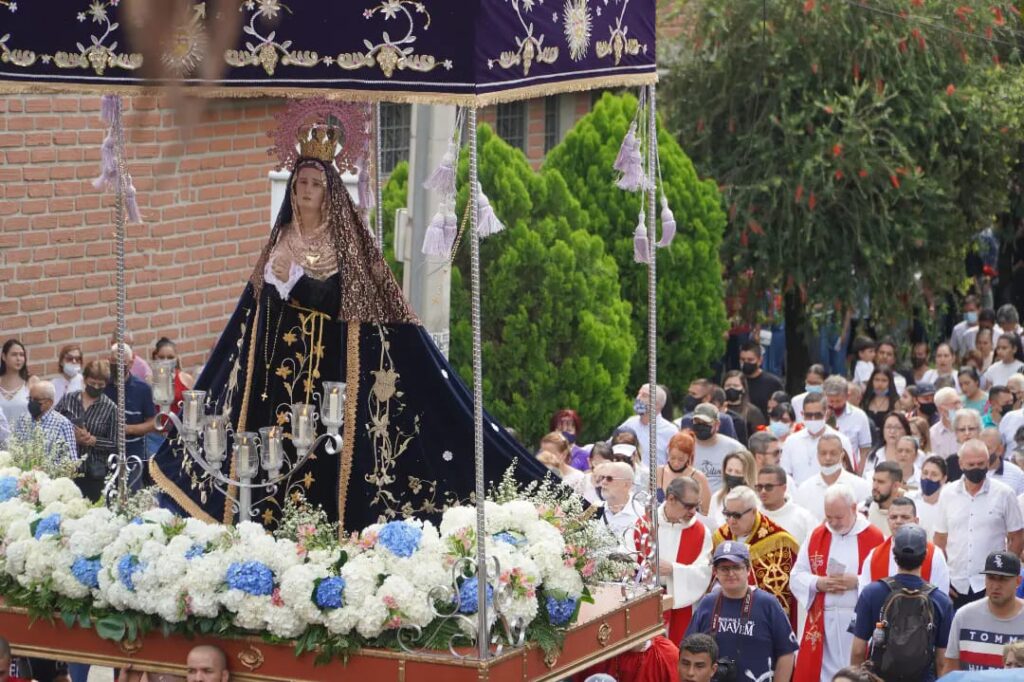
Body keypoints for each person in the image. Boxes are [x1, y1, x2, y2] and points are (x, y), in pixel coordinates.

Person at [152, 138, 549, 529]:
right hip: (275, 376)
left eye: (314, 184)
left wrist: (297, 280)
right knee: (268, 452)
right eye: (300, 183)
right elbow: (257, 310)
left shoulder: (345, 247)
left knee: (319, 459)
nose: (305, 190)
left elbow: (345, 303)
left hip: (325, 374)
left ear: (328, 193)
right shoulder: (282, 238)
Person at [791, 483, 885, 682]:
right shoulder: (816, 536)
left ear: (853, 508)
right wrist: (818, 582)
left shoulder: (874, 537)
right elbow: (796, 575)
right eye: (829, 516)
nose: (832, 522)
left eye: (838, 517)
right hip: (824, 622)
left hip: (858, 621)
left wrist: (858, 582)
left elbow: (885, 582)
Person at [850, 524, 953, 682]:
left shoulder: (871, 593)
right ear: (925, 555)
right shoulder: (941, 601)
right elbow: (942, 661)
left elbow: (858, 650)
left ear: (894, 553)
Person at [686, 541, 798, 682]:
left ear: (748, 569)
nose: (730, 573)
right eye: (724, 568)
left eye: (736, 567)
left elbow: (786, 653)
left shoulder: (768, 604)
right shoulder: (707, 604)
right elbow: (689, 650)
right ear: (715, 572)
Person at [933, 439, 1024, 610]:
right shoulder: (947, 494)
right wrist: (942, 578)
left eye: (981, 463)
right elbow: (939, 540)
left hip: (990, 584)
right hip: (955, 583)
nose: (976, 468)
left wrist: (1002, 577)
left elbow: (1017, 538)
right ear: (961, 464)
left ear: (988, 462)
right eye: (971, 464)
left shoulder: (1004, 494)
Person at [712, 485, 800, 631]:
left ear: (753, 511)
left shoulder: (780, 542)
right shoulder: (720, 537)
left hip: (763, 623)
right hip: (726, 619)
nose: (731, 521)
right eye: (727, 514)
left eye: (737, 515)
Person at [643, 476, 712, 644]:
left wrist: (674, 570)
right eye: (688, 506)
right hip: (647, 603)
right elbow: (630, 562)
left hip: (682, 605)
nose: (693, 512)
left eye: (696, 506)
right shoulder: (645, 524)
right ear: (670, 499)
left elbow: (705, 572)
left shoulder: (701, 532)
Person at [944, 551, 1024, 671]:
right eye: (991, 578)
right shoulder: (964, 616)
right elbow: (951, 669)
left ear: (1018, 581)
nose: (996, 585)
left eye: (1003, 579)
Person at [856, 497, 949, 594]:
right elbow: (865, 595)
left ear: (916, 521)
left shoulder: (934, 555)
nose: (898, 521)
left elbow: (941, 597)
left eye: (905, 517)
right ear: (888, 521)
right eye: (893, 517)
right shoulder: (874, 556)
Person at [55, 360, 116, 502]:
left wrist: (93, 440)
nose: (95, 387)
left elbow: (115, 443)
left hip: (93, 472)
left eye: (100, 385)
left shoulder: (110, 408)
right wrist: (71, 436)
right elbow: (54, 424)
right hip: (67, 469)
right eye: (92, 383)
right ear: (84, 379)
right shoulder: (68, 399)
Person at [106, 343, 156, 488]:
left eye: (123, 363)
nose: (118, 367)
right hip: (107, 452)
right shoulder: (103, 385)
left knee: (131, 493)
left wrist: (129, 429)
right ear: (109, 361)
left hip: (133, 454)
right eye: (114, 363)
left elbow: (152, 423)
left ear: (131, 363)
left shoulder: (142, 389)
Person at [793, 434, 871, 522]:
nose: (828, 458)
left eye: (833, 453)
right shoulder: (805, 489)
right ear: (817, 456)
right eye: (823, 453)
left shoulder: (861, 486)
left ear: (842, 455)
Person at [780, 393, 853, 486]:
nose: (813, 419)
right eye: (809, 415)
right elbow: (785, 475)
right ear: (802, 414)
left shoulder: (841, 440)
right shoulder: (791, 441)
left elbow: (849, 474)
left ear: (826, 414)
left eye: (818, 415)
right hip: (799, 496)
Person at [147, 337, 195, 457]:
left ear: (176, 358)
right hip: (155, 436)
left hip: (180, 434)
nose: (166, 361)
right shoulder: (149, 381)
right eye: (161, 357)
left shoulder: (186, 379)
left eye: (170, 357)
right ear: (155, 357)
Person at [12, 380, 77, 461]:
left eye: (36, 400)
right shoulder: (23, 420)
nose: (31, 402)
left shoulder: (62, 424)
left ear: (49, 402)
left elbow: (71, 461)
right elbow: (14, 449)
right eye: (30, 398)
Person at [618, 383, 679, 469]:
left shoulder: (671, 431)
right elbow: (609, 445)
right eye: (638, 394)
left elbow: (676, 463)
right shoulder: (630, 423)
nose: (638, 398)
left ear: (657, 405)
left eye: (644, 396)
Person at [758, 464, 817, 545]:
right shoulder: (752, 517)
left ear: (784, 488)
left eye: (769, 487)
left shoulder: (804, 518)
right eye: (759, 487)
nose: (763, 491)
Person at [690, 403, 743, 492]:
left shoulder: (734, 448)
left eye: (706, 423)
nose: (701, 426)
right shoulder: (685, 446)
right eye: (697, 422)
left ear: (717, 425)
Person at [659, 430, 712, 514]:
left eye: (681, 459)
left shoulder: (698, 477)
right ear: (668, 453)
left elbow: (706, 511)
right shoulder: (659, 472)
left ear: (689, 457)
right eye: (672, 458)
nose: (676, 463)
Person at [595, 461, 642, 546]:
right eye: (602, 478)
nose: (603, 482)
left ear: (626, 484)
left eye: (609, 478)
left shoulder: (641, 514)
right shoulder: (593, 510)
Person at [707, 450, 756, 527]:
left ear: (748, 474)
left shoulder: (758, 501)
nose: (732, 475)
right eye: (729, 470)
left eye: (738, 472)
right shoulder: (716, 498)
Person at [739, 339, 784, 417]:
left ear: (760, 360)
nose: (746, 363)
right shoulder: (736, 381)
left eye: (750, 360)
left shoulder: (773, 383)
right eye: (743, 360)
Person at [907, 455, 947, 540]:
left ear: (943, 479)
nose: (928, 478)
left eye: (934, 474)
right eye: (925, 473)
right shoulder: (910, 500)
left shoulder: (948, 504)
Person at [535, 431, 585, 495]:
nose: (544, 456)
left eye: (550, 453)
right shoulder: (537, 472)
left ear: (564, 454)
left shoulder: (578, 478)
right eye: (542, 452)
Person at [863, 412, 912, 477]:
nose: (892, 431)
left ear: (906, 431)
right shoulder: (873, 455)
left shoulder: (915, 454)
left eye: (898, 428)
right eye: (888, 427)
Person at [0, 339, 35, 428]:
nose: (18, 358)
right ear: (4, 356)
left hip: (25, 439)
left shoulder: (31, 381)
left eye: (21, 355)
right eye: (14, 354)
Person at [863, 461, 903, 535]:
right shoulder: (863, 509)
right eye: (874, 480)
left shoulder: (908, 514)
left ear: (896, 486)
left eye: (881, 482)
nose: (875, 486)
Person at [930, 387, 964, 476]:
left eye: (959, 402)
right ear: (941, 409)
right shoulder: (933, 433)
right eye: (955, 404)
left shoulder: (971, 429)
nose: (959, 407)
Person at [982, 426, 1024, 494]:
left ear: (999, 450)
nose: (982, 452)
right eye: (980, 447)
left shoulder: (1018, 475)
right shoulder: (970, 470)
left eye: (987, 448)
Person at [861, 369, 898, 439]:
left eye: (884, 380)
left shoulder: (895, 402)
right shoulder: (865, 400)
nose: (880, 384)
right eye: (877, 380)